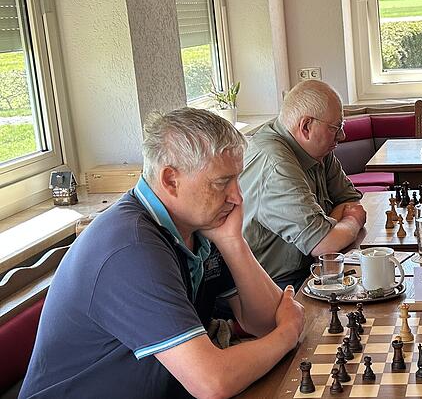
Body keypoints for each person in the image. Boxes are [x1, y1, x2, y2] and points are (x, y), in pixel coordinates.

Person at [20, 108, 305, 398]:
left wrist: (234, 242)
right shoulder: (132, 249)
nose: (237, 196)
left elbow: (265, 322)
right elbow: (212, 382)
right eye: (222, 183)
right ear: (170, 180)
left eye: (236, 180)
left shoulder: (198, 226)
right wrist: (286, 335)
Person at [240, 80, 366, 291]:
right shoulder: (276, 163)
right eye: (336, 128)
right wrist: (352, 220)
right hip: (273, 285)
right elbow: (325, 244)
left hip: (310, 268)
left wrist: (329, 227)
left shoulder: (317, 149)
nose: (342, 136)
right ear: (306, 126)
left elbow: (349, 200)